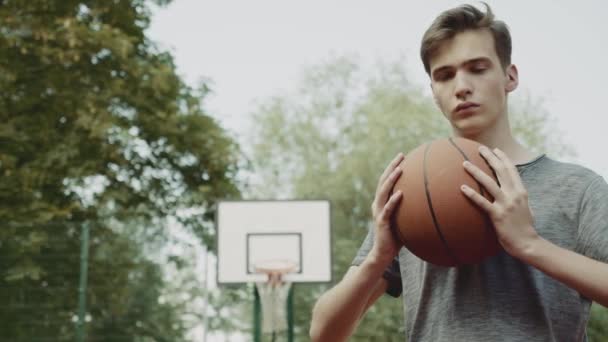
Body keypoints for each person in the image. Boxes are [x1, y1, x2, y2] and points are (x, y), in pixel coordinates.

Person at [309, 3, 608, 341]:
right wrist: (378, 256)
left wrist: (530, 244)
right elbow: (323, 333)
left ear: (510, 77)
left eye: (477, 68)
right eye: (445, 75)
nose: (461, 86)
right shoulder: (410, 193)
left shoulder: (577, 187)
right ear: (434, 92)